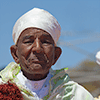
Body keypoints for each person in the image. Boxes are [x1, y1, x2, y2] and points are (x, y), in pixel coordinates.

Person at [0, 8, 94, 100]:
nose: (37, 48)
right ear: (15, 54)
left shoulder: (75, 95)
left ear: (56, 55)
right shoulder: (2, 91)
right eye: (29, 41)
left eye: (45, 42)